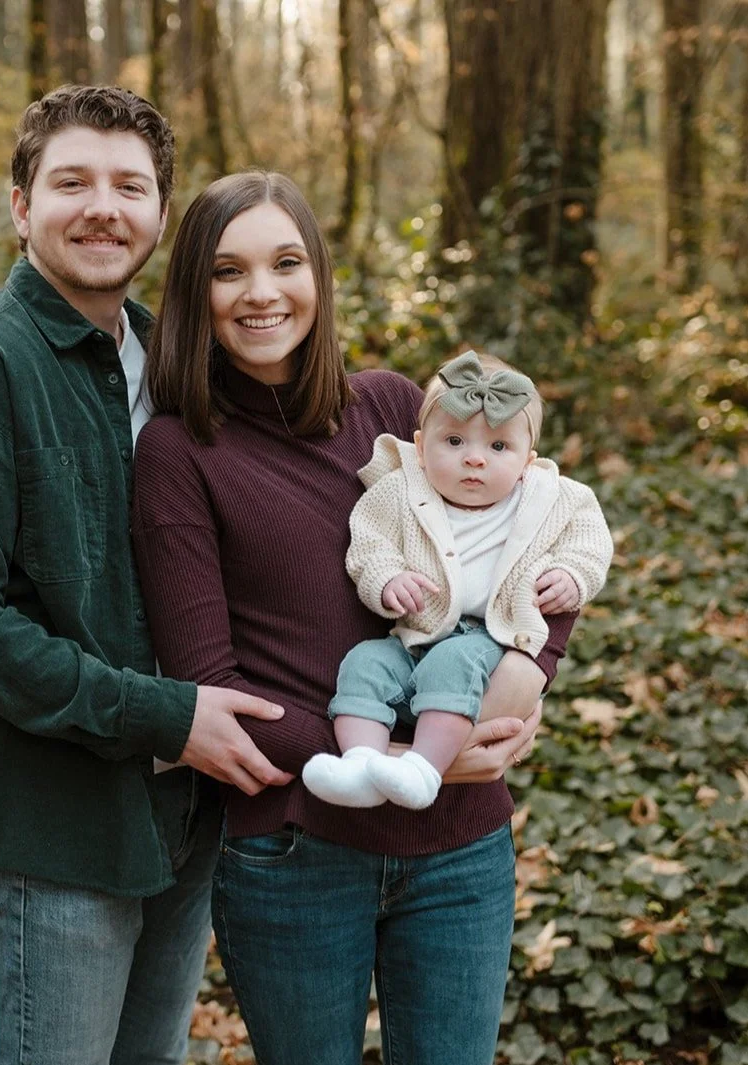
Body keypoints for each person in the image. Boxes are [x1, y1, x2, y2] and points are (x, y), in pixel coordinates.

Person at [131, 171, 580, 1065]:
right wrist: (392, 764)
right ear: (195, 292)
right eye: (229, 271)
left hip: (458, 848)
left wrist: (518, 687)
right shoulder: (178, 453)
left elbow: (535, 526)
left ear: (317, 277)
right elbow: (211, 685)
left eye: (285, 262)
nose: (262, 292)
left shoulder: (388, 406)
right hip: (296, 849)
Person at [0, 87, 293, 1065]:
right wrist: (163, 716)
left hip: (186, 817)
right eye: (72, 182)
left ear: (160, 211)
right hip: (59, 831)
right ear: (21, 205)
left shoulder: (180, 359)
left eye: (130, 186)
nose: (103, 207)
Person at [302, 351, 613, 811]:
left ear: (528, 460)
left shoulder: (552, 497)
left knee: (455, 659)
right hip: (412, 634)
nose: (474, 460)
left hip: (490, 634)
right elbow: (368, 545)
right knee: (364, 662)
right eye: (453, 441)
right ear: (421, 447)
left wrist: (572, 575)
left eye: (498, 447)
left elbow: (589, 542)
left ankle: (423, 768)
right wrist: (387, 580)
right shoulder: (399, 491)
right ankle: (361, 764)